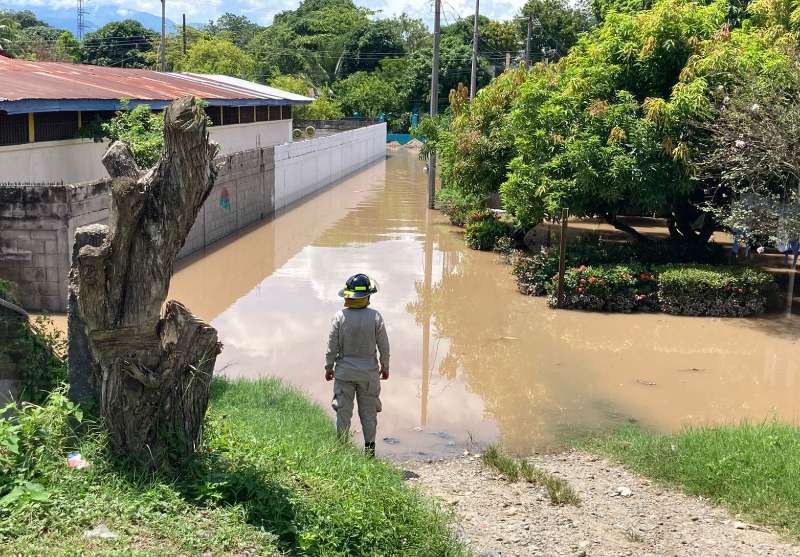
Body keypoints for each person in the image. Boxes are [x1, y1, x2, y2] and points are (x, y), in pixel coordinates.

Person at [325, 273, 390, 457]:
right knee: (369, 414)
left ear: (348, 295)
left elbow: (331, 347)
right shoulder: (375, 317)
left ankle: (341, 450)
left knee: (343, 412)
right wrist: (385, 367)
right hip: (368, 375)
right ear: (367, 296)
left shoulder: (339, 317)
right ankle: (369, 453)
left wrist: (328, 368)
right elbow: (384, 347)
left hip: (345, 373)